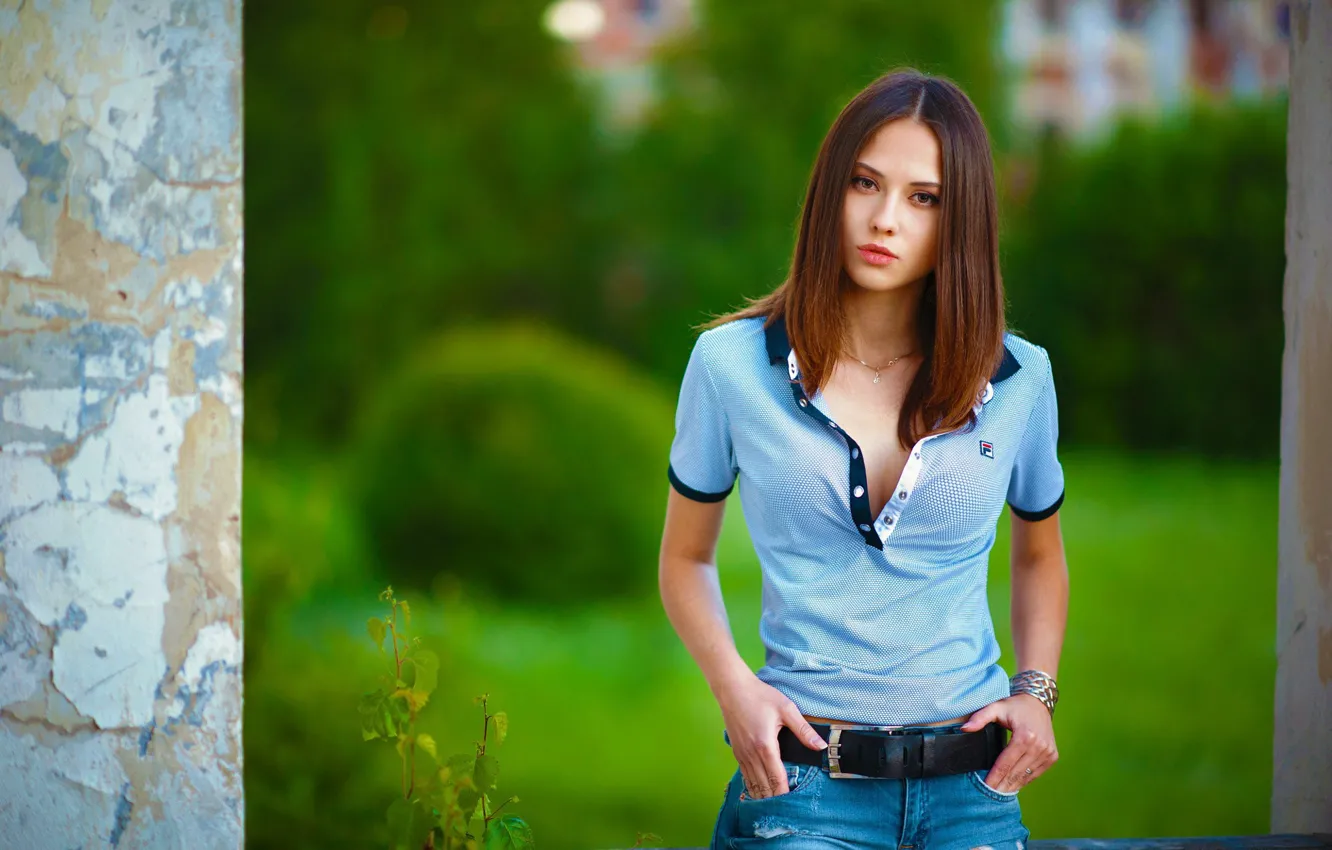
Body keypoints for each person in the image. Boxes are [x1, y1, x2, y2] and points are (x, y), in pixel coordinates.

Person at [657, 68, 1069, 850]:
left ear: (962, 220)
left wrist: (1037, 692)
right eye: (865, 183)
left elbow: (1040, 556)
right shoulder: (729, 366)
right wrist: (735, 689)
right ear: (829, 192)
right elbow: (684, 558)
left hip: (973, 790)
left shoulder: (1022, 379)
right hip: (803, 783)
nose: (884, 219)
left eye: (924, 198)